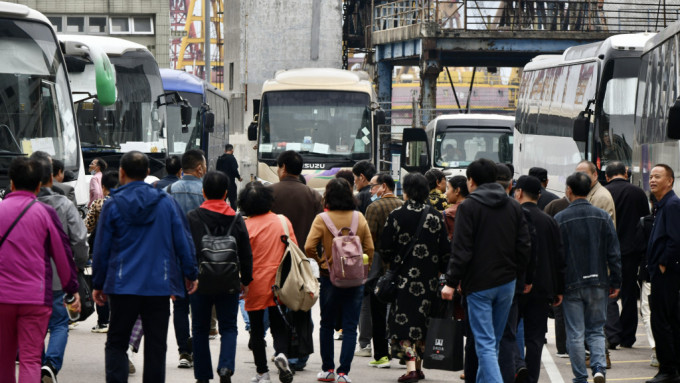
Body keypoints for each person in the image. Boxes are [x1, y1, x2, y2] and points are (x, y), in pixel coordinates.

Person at [92, 151, 199, 382]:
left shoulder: (113, 205)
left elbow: (102, 248)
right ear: (148, 173)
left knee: (116, 343)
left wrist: (98, 283)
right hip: (158, 286)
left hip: (122, 287)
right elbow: (183, 239)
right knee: (156, 347)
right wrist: (190, 273)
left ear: (121, 173)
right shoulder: (166, 203)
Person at [442, 158, 531, 382]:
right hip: (507, 284)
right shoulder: (513, 206)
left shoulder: (468, 207)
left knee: (484, 343)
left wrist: (451, 282)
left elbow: (461, 249)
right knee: (495, 341)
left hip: (479, 285)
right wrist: (516, 274)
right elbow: (524, 246)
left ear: (471, 181)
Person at [0, 156, 80, 383]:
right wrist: (71, 288)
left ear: (12, 183)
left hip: (2, 298)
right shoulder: (45, 213)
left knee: (4, 358)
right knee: (30, 359)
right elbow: (62, 254)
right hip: (35, 298)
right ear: (38, 186)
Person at [380, 173, 450, 383]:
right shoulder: (436, 216)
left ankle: (411, 368)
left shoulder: (396, 215)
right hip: (428, 280)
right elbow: (446, 251)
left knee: (404, 323)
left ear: (406, 191)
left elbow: (384, 248)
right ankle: (417, 367)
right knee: (422, 322)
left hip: (403, 279)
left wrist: (394, 262)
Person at [305, 178, 374, 383]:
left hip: (330, 278)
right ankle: (344, 373)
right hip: (355, 279)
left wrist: (323, 262)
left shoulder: (321, 219)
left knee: (326, 324)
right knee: (351, 325)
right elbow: (369, 248)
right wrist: (361, 269)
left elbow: (309, 246)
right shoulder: (359, 218)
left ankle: (328, 370)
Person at [186, 171, 253, 383]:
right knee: (228, 327)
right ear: (226, 193)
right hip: (229, 281)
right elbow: (245, 252)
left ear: (203, 192)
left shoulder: (193, 217)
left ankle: (203, 377)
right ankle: (225, 368)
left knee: (199, 328)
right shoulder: (236, 218)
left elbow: (185, 251)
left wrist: (186, 278)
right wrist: (246, 280)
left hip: (199, 281)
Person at [554, 172, 621, 383]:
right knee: (596, 330)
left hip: (571, 284)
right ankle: (599, 368)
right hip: (598, 281)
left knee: (575, 333)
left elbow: (557, 257)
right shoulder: (602, 217)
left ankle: (580, 377)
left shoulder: (560, 219)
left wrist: (556, 287)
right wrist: (616, 281)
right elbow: (614, 252)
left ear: (569, 190)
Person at [30, 152, 89, 383]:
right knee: (59, 323)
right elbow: (80, 240)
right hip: (58, 276)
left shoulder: (17, 204)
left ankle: (38, 364)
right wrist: (79, 265)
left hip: (28, 279)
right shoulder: (64, 204)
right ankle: (51, 365)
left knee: (33, 326)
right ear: (52, 176)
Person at [239, 181, 298, 383]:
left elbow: (241, 257)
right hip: (279, 282)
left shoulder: (245, 226)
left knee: (256, 329)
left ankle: (263, 372)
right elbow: (293, 250)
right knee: (279, 324)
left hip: (254, 282)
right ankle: (281, 353)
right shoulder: (282, 221)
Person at [270, 150, 323, 371]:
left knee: (279, 307)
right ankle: (300, 355)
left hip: (276, 261)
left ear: (282, 167)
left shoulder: (269, 192)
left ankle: (282, 351)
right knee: (302, 308)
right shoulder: (313, 195)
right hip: (303, 262)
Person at [513, 175, 565, 383]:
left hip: (516, 285)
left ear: (519, 192)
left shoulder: (514, 217)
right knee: (535, 337)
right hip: (542, 287)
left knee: (510, 330)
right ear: (539, 195)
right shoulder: (549, 221)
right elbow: (559, 257)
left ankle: (517, 366)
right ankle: (531, 377)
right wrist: (559, 288)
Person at [165, 149, 207, 369]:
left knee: (179, 307)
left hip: (175, 259)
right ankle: (199, 349)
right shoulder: (207, 191)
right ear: (199, 168)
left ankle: (184, 352)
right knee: (199, 306)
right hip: (203, 258)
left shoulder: (168, 191)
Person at [604, 162, 650, 349]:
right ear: (626, 173)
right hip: (631, 251)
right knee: (630, 293)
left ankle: (612, 333)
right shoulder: (638, 193)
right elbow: (645, 222)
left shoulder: (604, 192)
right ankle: (628, 336)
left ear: (607, 176)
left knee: (610, 292)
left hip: (608, 250)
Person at [364, 172, 404, 368]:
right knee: (401, 312)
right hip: (403, 267)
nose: (371, 190)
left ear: (385, 186)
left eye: (373, 186)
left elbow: (368, 241)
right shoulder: (404, 205)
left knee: (378, 313)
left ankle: (382, 355)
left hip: (381, 270)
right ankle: (406, 355)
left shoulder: (374, 207)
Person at [645, 164, 680, 383]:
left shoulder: (672, 205)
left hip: (666, 273)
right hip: (660, 272)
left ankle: (668, 370)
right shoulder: (662, 205)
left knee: (663, 321)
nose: (652, 180)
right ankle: (670, 368)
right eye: (651, 176)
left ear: (670, 181)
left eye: (658, 176)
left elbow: (675, 239)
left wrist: (664, 263)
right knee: (667, 320)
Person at [85, 170, 119, 334]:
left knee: (102, 285)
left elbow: (87, 226)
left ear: (103, 186)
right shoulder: (123, 203)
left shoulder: (98, 204)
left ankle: (103, 321)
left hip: (102, 248)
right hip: (121, 250)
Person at [575, 160, 616, 226]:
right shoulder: (585, 192)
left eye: (584, 174)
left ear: (595, 175)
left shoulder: (602, 197)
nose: (580, 178)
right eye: (577, 175)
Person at [444, 175, 469, 240]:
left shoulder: (448, 214)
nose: (446, 193)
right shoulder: (477, 208)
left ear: (457, 190)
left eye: (448, 188)